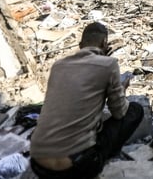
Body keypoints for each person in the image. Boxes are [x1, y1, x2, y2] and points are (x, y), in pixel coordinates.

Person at [30, 22, 143, 179]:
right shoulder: (109, 64)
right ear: (105, 43)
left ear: (80, 45)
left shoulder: (58, 66)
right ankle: (100, 164)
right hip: (76, 166)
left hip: (37, 163)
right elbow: (119, 113)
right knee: (135, 110)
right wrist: (122, 90)